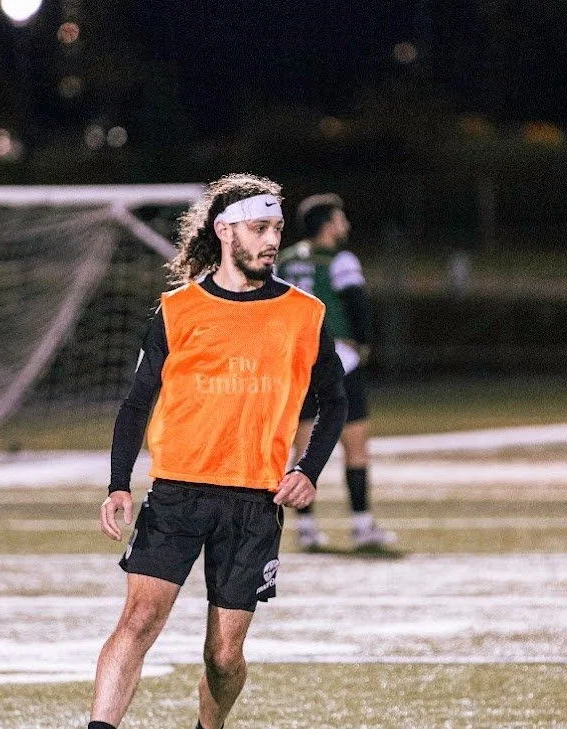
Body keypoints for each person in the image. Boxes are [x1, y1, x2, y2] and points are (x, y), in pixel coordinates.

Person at [88, 174, 348, 729]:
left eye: (277, 228)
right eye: (260, 228)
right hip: (177, 493)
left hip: (254, 503)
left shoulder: (305, 314)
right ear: (225, 230)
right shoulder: (177, 309)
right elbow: (137, 403)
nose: (272, 240)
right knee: (137, 622)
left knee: (224, 657)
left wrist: (309, 469)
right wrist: (118, 483)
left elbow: (336, 401)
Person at [275, 193, 396, 551]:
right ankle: (361, 524)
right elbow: (357, 302)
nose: (346, 225)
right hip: (338, 357)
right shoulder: (340, 259)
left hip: (298, 361)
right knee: (355, 445)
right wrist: (364, 342)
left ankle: (306, 527)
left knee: (301, 447)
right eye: (341, 219)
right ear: (328, 225)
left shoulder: (285, 259)